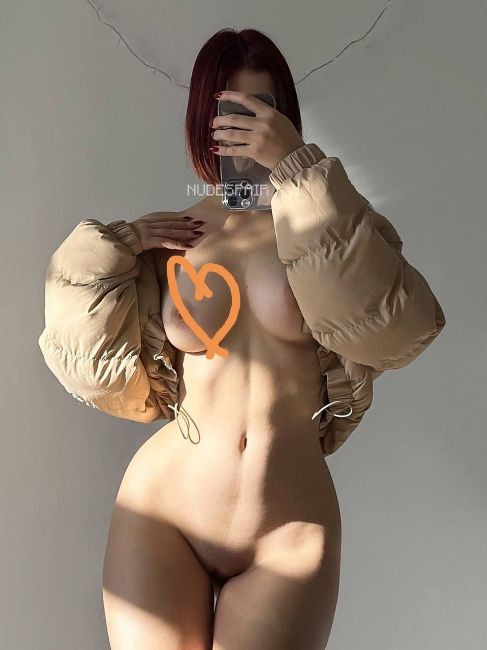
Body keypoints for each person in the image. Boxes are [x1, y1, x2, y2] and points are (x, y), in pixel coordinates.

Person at [38, 27, 446, 650]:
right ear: (202, 125)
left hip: (289, 530)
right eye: (229, 112)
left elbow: (399, 329)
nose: (244, 129)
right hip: (163, 513)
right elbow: (89, 369)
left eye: (261, 109)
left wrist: (298, 170)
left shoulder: (331, 221)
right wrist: (117, 246)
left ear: (286, 117)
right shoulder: (177, 233)